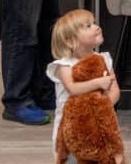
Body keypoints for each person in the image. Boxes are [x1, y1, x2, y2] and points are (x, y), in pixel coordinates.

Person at [47, 9, 122, 164]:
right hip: (71, 129)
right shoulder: (64, 65)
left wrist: (102, 108)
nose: (96, 27)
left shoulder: (104, 59)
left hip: (99, 126)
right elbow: (72, 88)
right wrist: (98, 83)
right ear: (70, 40)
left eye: (94, 23)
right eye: (88, 26)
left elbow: (115, 90)